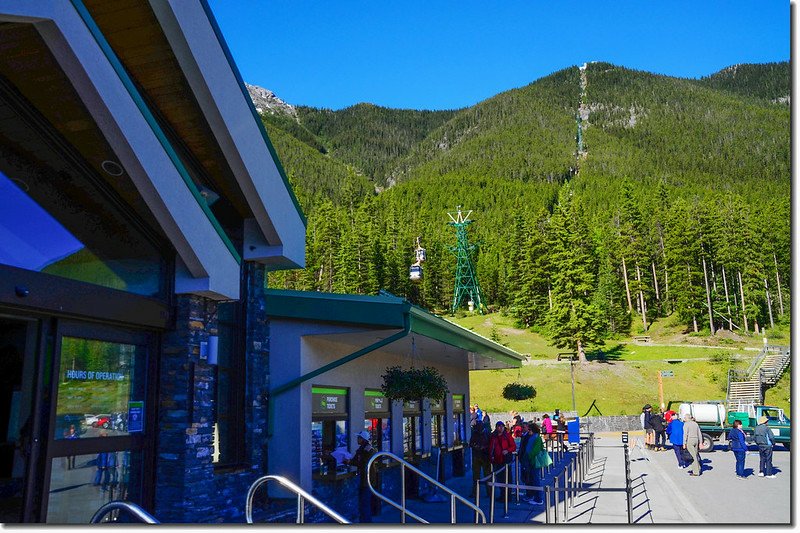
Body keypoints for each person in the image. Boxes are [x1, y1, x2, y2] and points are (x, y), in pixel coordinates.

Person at [346, 430, 377, 522]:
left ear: (363, 439)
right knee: (363, 503)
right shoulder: (361, 449)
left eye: (358, 438)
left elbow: (363, 463)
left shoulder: (368, 450)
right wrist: (348, 461)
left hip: (367, 480)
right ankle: (363, 521)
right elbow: (356, 461)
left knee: (365, 503)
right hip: (363, 479)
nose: (357, 439)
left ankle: (366, 523)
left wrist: (350, 462)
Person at [488, 421, 516, 499]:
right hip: (496, 460)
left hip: (506, 459)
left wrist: (507, 450)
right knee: (499, 478)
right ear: (496, 427)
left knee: (507, 477)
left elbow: (513, 446)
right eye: (499, 426)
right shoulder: (493, 436)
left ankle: (508, 495)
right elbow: (491, 447)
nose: (500, 428)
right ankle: (502, 494)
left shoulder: (507, 436)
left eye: (502, 426)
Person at [469, 419, 491, 498]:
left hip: (485, 457)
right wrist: (475, 446)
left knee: (487, 476)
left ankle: (489, 492)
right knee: (475, 476)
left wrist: (484, 447)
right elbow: (471, 443)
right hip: (476, 456)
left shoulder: (487, 433)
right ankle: (474, 492)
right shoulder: (475, 433)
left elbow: (490, 444)